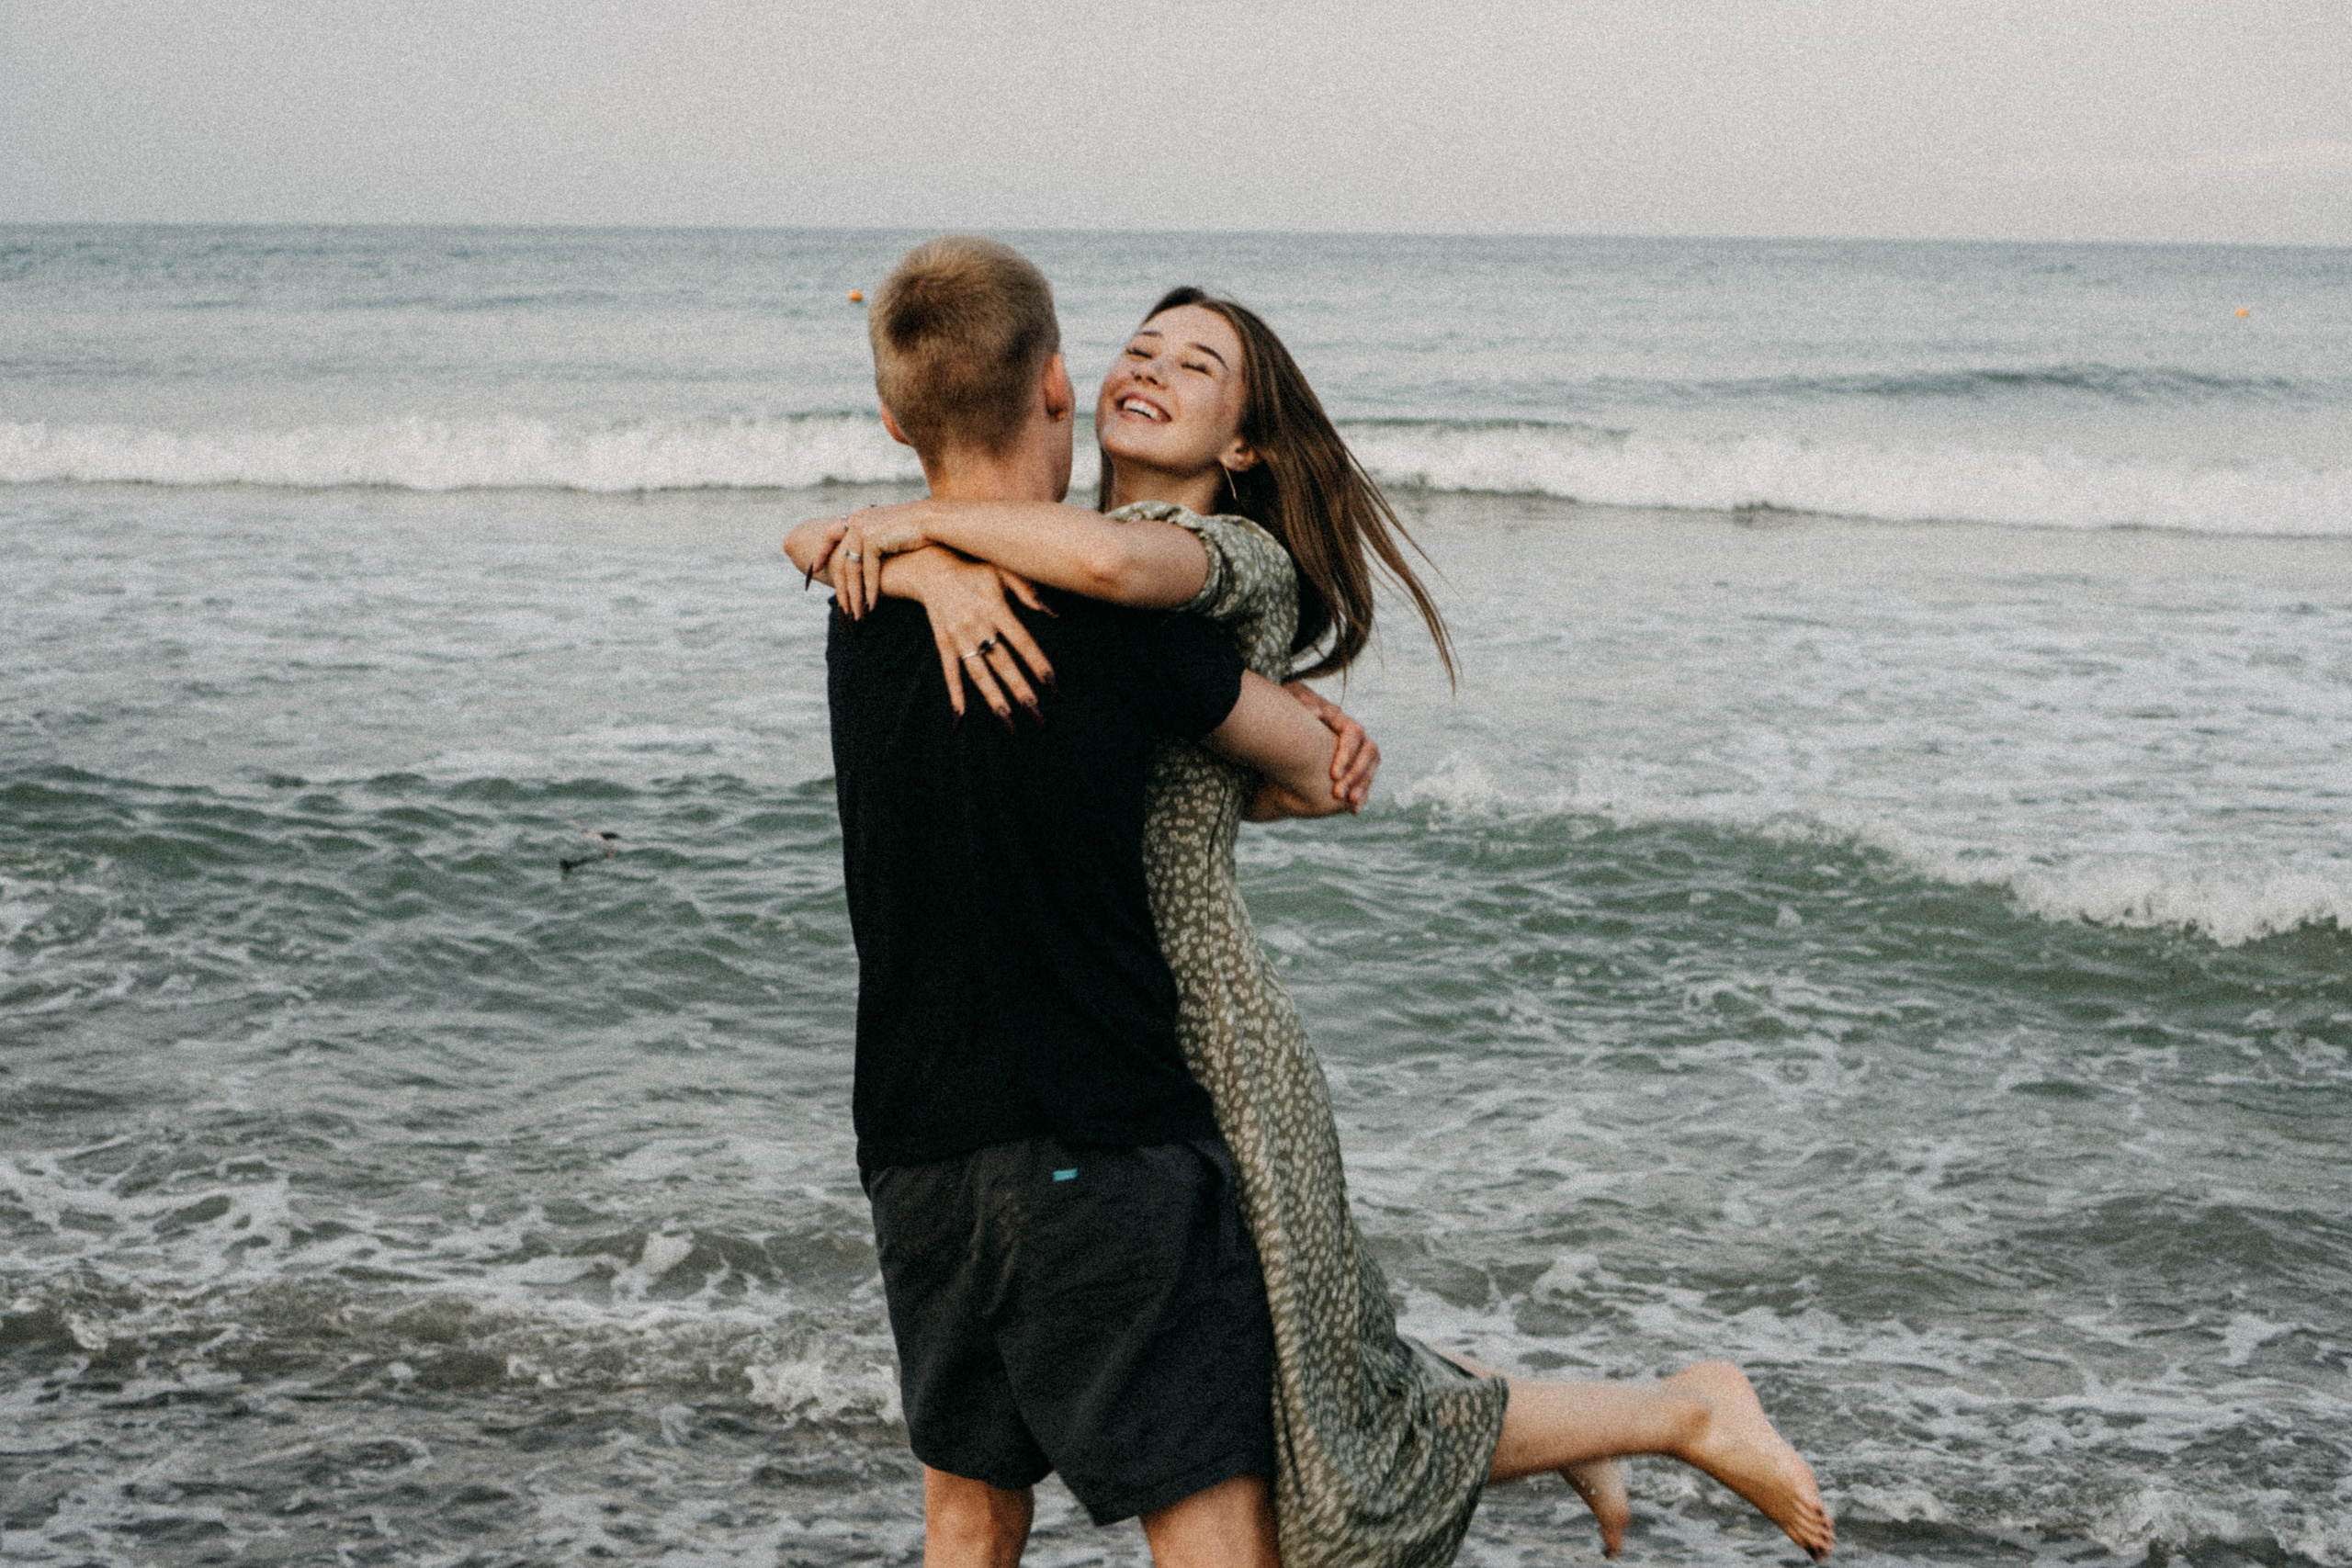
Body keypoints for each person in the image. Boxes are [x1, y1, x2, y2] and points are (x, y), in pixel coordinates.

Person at [791, 244, 1836, 1565]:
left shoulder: (1193, 563)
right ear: (1062, 385)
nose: (1154, 371)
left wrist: (902, 532)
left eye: (1200, 365)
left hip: (1195, 1033)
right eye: (1144, 348)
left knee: (1323, 1415)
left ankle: (1662, 1411)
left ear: (1246, 446)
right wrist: (913, 549)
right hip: (1111, 1047)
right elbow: (1258, 760)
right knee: (1315, 1398)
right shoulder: (996, 569)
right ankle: (1596, 1410)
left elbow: (1141, 614)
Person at [807, 234, 1379, 1568]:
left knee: (968, 1520)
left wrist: (918, 547)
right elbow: (1314, 770)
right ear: (1060, 387)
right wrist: (1308, 726)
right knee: (1214, 1527)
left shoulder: (858, 599)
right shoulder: (1120, 621)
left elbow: (828, 539)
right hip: (1101, 1133)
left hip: (915, 1148)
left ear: (894, 424)